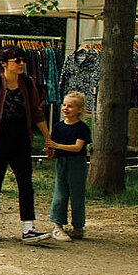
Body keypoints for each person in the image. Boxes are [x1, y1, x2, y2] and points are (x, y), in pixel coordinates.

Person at [0, 45, 54, 243]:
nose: (21, 63)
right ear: (4, 63)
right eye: (16, 60)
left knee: (26, 184)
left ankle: (29, 227)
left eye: (23, 60)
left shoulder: (28, 84)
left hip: (20, 140)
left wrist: (48, 138)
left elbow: (37, 113)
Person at [45, 92, 92, 242]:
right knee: (60, 193)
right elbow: (52, 146)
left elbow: (78, 147)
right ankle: (58, 225)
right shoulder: (58, 126)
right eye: (64, 105)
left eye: (70, 106)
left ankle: (78, 226)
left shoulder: (82, 128)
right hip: (62, 163)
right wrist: (51, 151)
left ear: (79, 109)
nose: (65, 108)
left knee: (77, 194)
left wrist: (57, 146)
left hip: (77, 163)